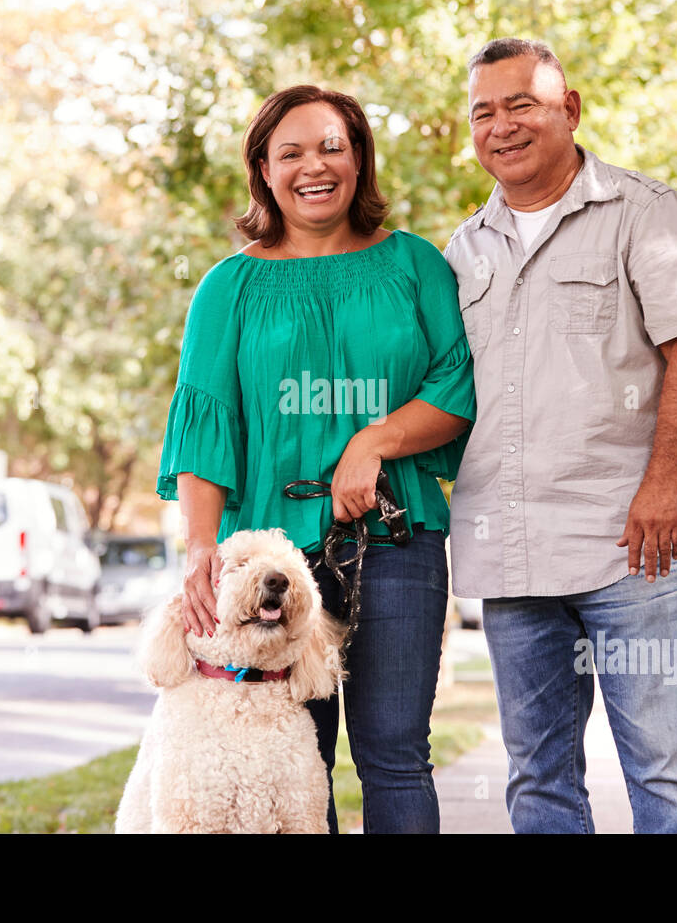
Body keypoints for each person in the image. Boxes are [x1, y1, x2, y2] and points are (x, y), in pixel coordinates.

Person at [156, 84, 476, 834]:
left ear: (359, 159)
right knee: (297, 759)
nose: (314, 166)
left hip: (395, 544)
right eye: (290, 152)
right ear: (263, 170)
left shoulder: (416, 265)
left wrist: (374, 441)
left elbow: (457, 387)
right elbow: (208, 424)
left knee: (395, 754)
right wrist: (203, 546)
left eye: (332, 146)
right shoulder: (227, 288)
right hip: (270, 557)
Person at [444, 37, 677, 833]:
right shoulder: (461, 251)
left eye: (521, 104)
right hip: (510, 558)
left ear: (569, 109)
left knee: (666, 776)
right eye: (484, 112)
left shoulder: (642, 211)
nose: (502, 125)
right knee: (538, 783)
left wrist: (664, 483)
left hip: (629, 547)